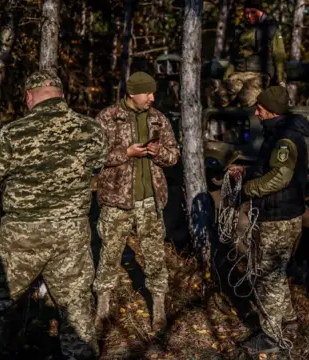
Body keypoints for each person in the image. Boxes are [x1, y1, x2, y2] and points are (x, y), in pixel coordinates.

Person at [0, 70, 107, 359]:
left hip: (21, 234)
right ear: (61, 95)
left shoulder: (14, 132)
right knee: (76, 311)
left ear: (29, 97)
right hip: (71, 233)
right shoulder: (90, 129)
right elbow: (98, 164)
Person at [227, 86, 309, 355]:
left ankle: (271, 338)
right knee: (275, 274)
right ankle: (288, 322)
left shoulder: (285, 138)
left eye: (260, 108)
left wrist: (247, 189)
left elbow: (279, 178)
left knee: (268, 277)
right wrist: (247, 170)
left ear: (272, 110)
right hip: (280, 214)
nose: (256, 112)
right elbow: (270, 168)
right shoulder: (279, 132)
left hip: (278, 217)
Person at [93, 71, 179, 333]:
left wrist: (158, 152)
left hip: (150, 202)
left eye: (153, 93)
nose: (152, 98)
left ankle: (159, 310)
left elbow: (174, 155)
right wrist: (126, 153)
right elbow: (93, 158)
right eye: (148, 93)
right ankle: (102, 309)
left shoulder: (158, 119)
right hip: (116, 202)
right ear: (132, 93)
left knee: (155, 256)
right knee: (109, 255)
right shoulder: (107, 118)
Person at [216, 0, 287, 108]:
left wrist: (281, 80)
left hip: (260, 75)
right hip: (239, 74)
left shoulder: (271, 29)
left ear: (261, 11)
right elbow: (234, 58)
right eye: (246, 13)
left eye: (253, 12)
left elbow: (279, 55)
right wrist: (226, 77)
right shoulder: (242, 30)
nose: (249, 16)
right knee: (220, 96)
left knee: (246, 98)